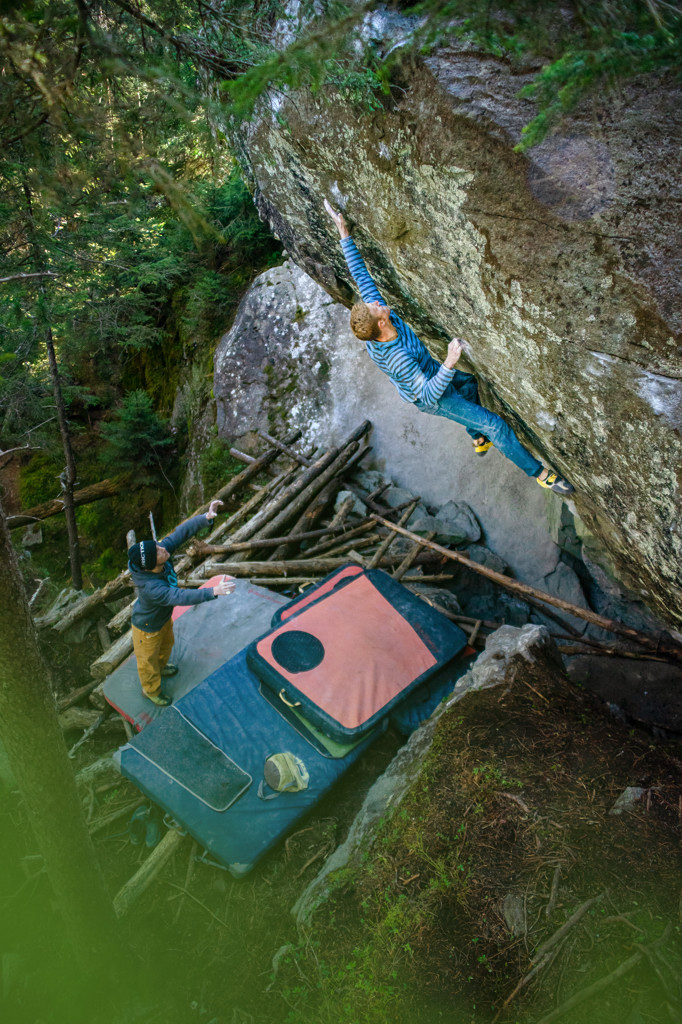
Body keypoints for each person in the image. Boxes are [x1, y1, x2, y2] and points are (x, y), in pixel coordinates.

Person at [324, 199, 573, 495]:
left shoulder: (377, 321)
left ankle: (476, 435)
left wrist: (344, 234)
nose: (377, 302)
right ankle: (542, 475)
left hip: (429, 372)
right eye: (375, 307)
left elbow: (361, 276)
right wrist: (449, 361)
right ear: (381, 324)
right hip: (432, 396)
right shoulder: (398, 358)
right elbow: (429, 392)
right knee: (497, 425)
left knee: (468, 382)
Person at [127, 499, 236, 706]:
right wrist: (213, 591)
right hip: (147, 628)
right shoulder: (152, 589)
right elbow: (180, 597)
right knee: (147, 662)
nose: (162, 547)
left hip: (162, 619)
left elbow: (180, 533)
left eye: (157, 545)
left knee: (166, 645)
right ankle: (151, 690)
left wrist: (206, 517)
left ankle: (161, 667)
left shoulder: (159, 553)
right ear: (151, 567)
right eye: (158, 551)